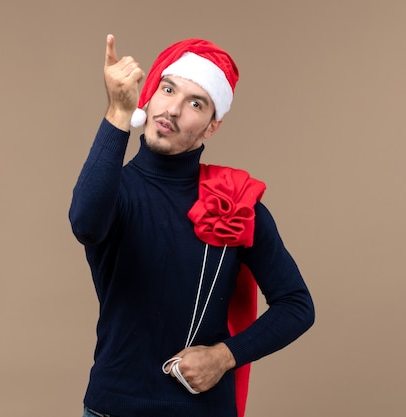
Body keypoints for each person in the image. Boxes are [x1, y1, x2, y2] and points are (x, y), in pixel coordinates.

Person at [69, 34, 315, 417]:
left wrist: (225, 356)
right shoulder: (115, 190)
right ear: (149, 97)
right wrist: (118, 111)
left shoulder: (235, 200)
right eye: (168, 89)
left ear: (211, 127)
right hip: (112, 406)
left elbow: (297, 305)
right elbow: (85, 224)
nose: (173, 109)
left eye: (195, 102)